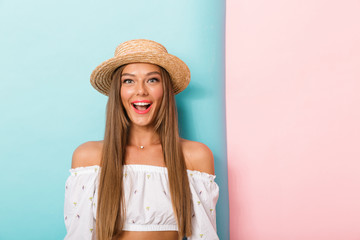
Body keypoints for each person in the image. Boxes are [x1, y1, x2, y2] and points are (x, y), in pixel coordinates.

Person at [64, 39, 220, 240]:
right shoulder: (89, 157)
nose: (140, 91)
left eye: (152, 80)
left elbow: (204, 236)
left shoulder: (195, 156)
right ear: (117, 91)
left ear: (165, 89)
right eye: (128, 81)